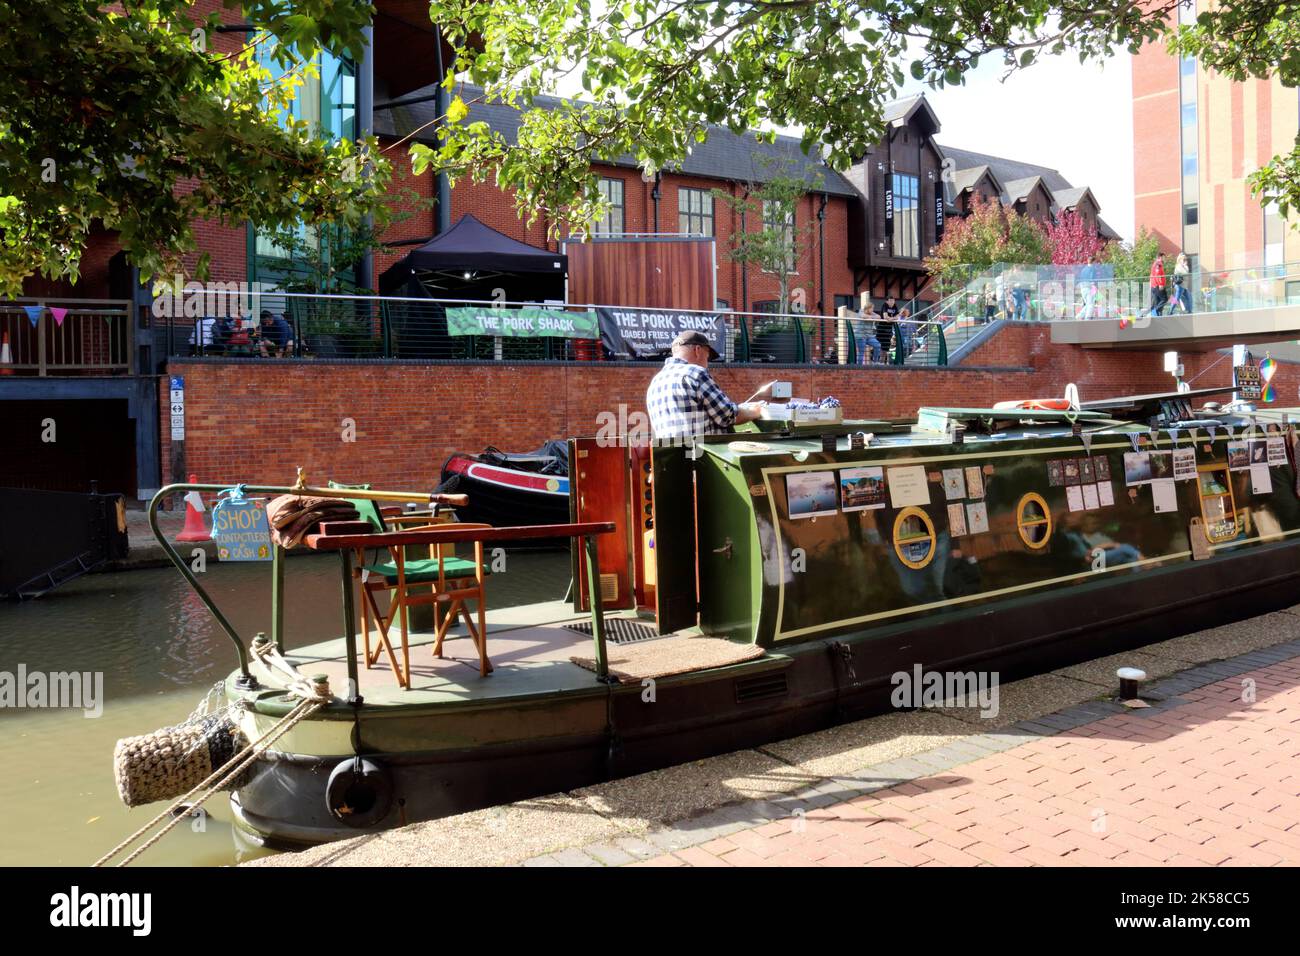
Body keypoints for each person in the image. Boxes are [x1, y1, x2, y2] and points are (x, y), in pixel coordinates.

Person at [646, 330, 775, 440]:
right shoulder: (695, 373)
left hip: (673, 462)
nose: (707, 363)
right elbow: (727, 415)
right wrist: (756, 411)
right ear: (698, 350)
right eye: (707, 357)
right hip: (702, 461)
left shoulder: (656, 382)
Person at [854, 300, 883, 364]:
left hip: (869, 336)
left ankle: (875, 362)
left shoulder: (872, 313)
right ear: (868, 308)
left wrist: (871, 317)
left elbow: (879, 317)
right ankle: (859, 367)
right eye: (872, 308)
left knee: (878, 345)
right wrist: (872, 318)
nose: (873, 309)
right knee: (861, 352)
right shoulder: (861, 311)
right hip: (860, 336)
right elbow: (863, 316)